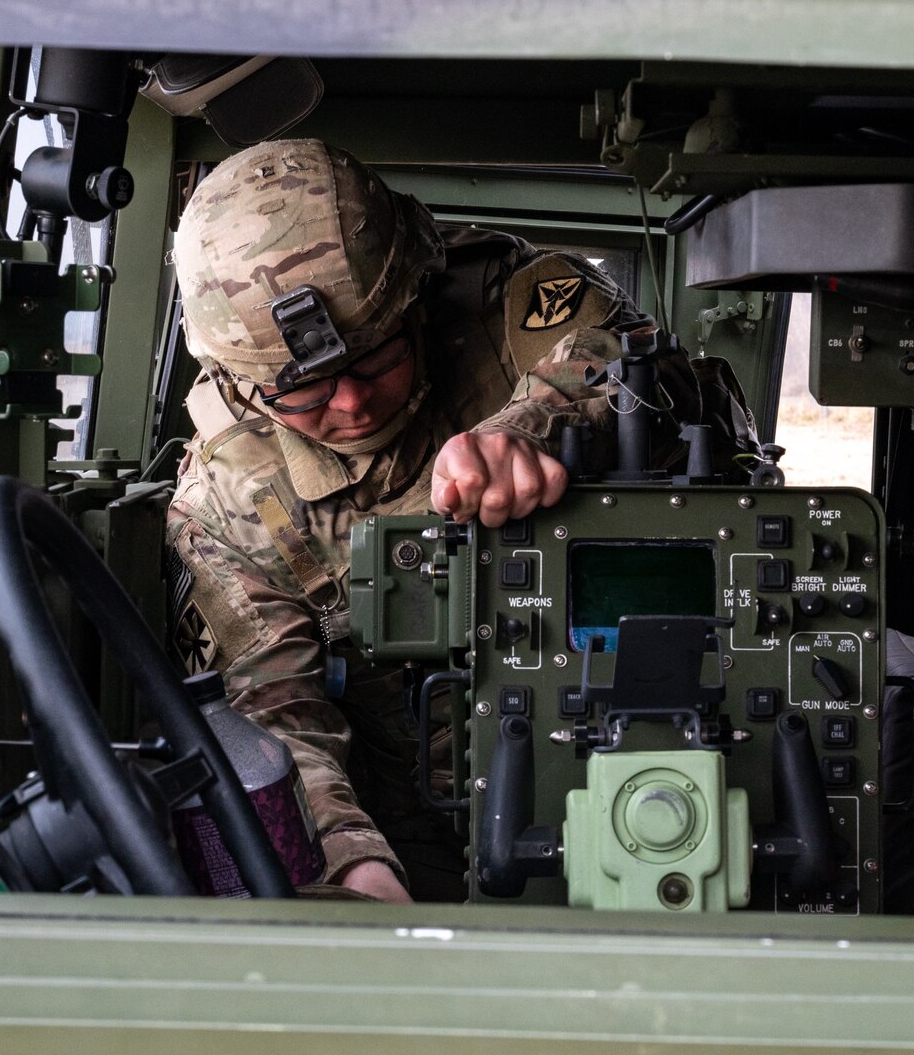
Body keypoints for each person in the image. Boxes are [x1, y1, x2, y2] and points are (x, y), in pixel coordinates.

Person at [166, 138, 748, 902]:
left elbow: (641, 364)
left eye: (375, 358)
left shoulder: (507, 304)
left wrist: (536, 424)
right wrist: (351, 868)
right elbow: (276, 715)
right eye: (302, 391)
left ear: (413, 297)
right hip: (419, 839)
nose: (350, 402)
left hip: (673, 770)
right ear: (242, 388)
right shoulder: (227, 499)